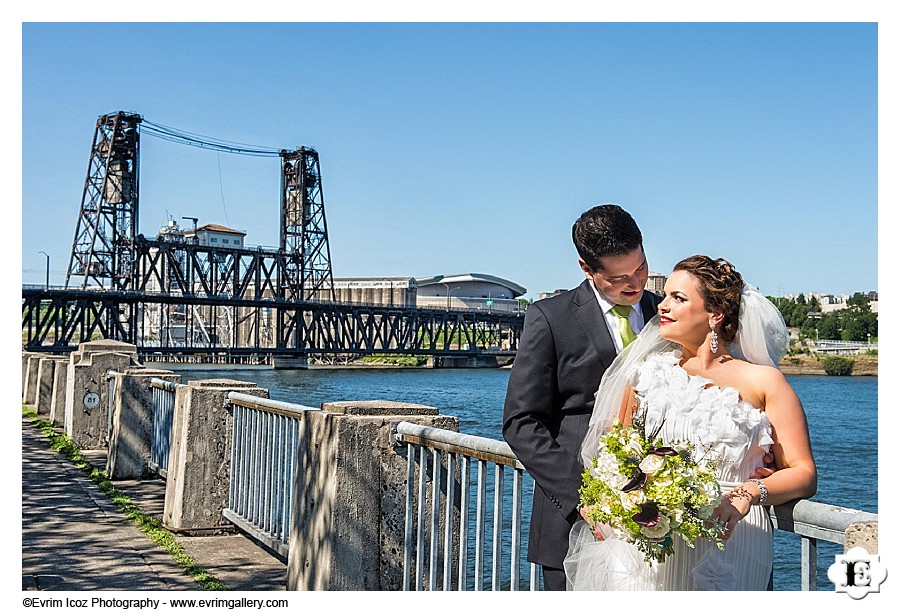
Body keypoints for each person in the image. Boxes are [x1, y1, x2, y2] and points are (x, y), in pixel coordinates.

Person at [564, 255, 818, 590]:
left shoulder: (765, 383)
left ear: (716, 314)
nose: (662, 306)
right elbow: (615, 454)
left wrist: (750, 491)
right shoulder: (645, 375)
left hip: (729, 537)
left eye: (678, 298)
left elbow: (803, 473)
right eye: (666, 295)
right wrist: (606, 499)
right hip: (651, 542)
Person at [502, 204, 661, 591]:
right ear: (586, 268)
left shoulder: (665, 312)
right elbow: (520, 422)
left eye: (640, 268)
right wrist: (584, 498)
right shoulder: (549, 318)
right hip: (572, 520)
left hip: (657, 518)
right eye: (619, 277)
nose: (635, 284)